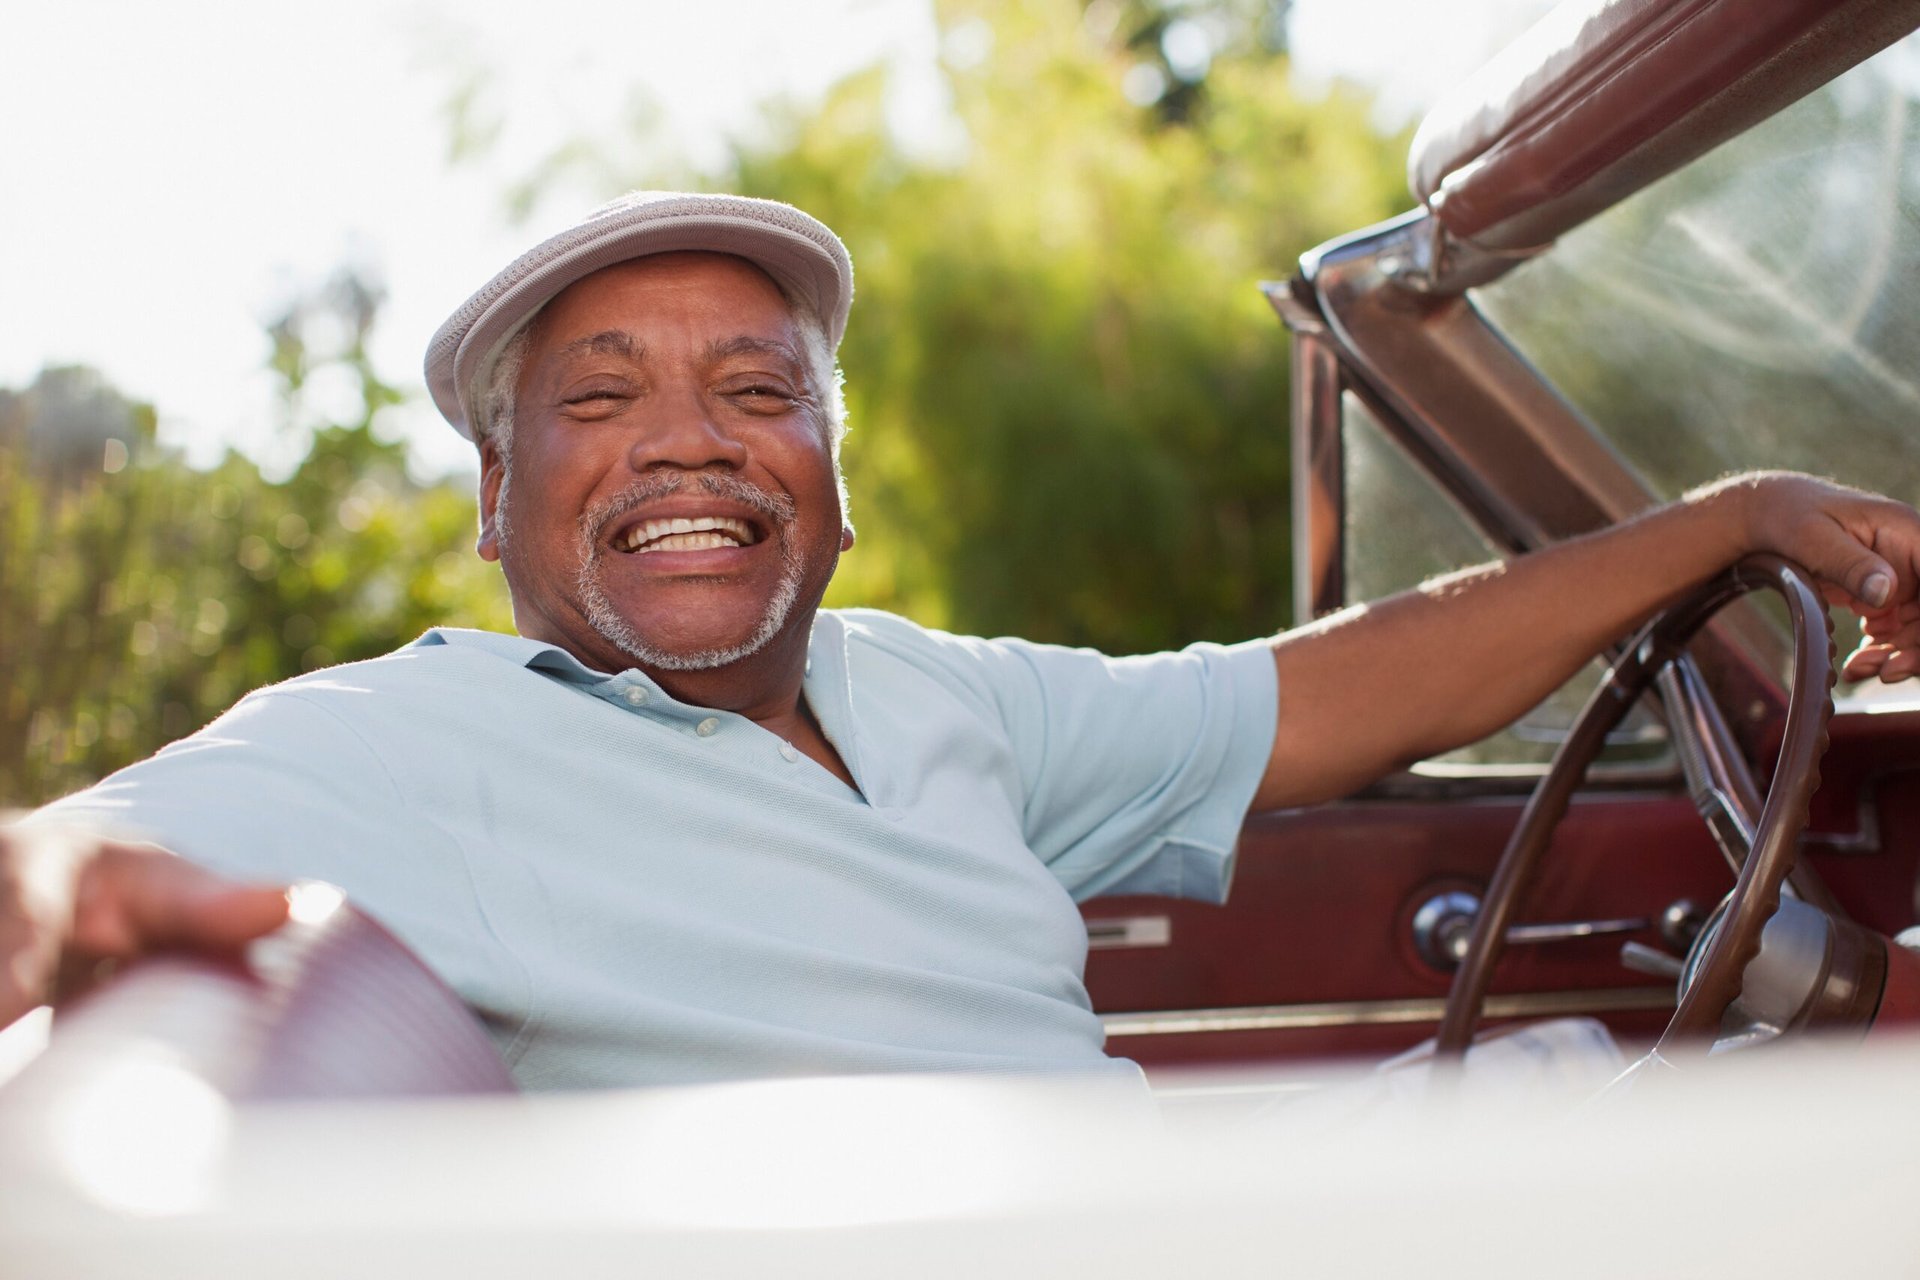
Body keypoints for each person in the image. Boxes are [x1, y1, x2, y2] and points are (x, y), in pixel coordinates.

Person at [6, 191, 1920, 1089]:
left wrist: (1729, 519)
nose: (689, 435)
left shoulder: (928, 693)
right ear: (492, 504)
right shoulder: (407, 742)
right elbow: (80, 857)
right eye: (600, 402)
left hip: (1198, 1210)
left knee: (1671, 1073)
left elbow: (1333, 690)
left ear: (835, 487)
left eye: (757, 391)